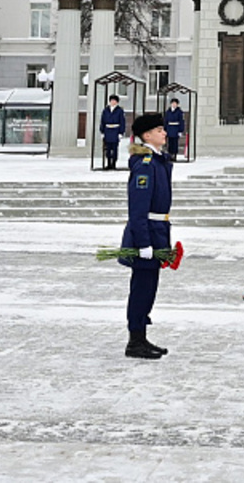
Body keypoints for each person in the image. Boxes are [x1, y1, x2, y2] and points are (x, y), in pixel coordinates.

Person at [121, 111, 173, 359]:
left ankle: (141, 337)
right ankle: (135, 341)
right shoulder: (146, 165)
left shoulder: (159, 161)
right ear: (147, 135)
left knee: (149, 288)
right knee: (141, 289)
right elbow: (138, 208)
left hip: (157, 232)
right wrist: (143, 243)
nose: (164, 132)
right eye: (159, 129)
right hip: (147, 235)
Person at [98, 95, 127, 170]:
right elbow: (102, 121)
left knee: (114, 148)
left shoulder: (119, 110)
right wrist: (102, 131)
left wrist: (121, 132)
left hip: (115, 130)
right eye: (111, 100)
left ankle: (113, 163)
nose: (112, 102)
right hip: (107, 130)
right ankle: (108, 163)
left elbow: (122, 122)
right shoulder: (106, 110)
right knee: (107, 148)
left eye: (114, 101)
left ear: (117, 102)